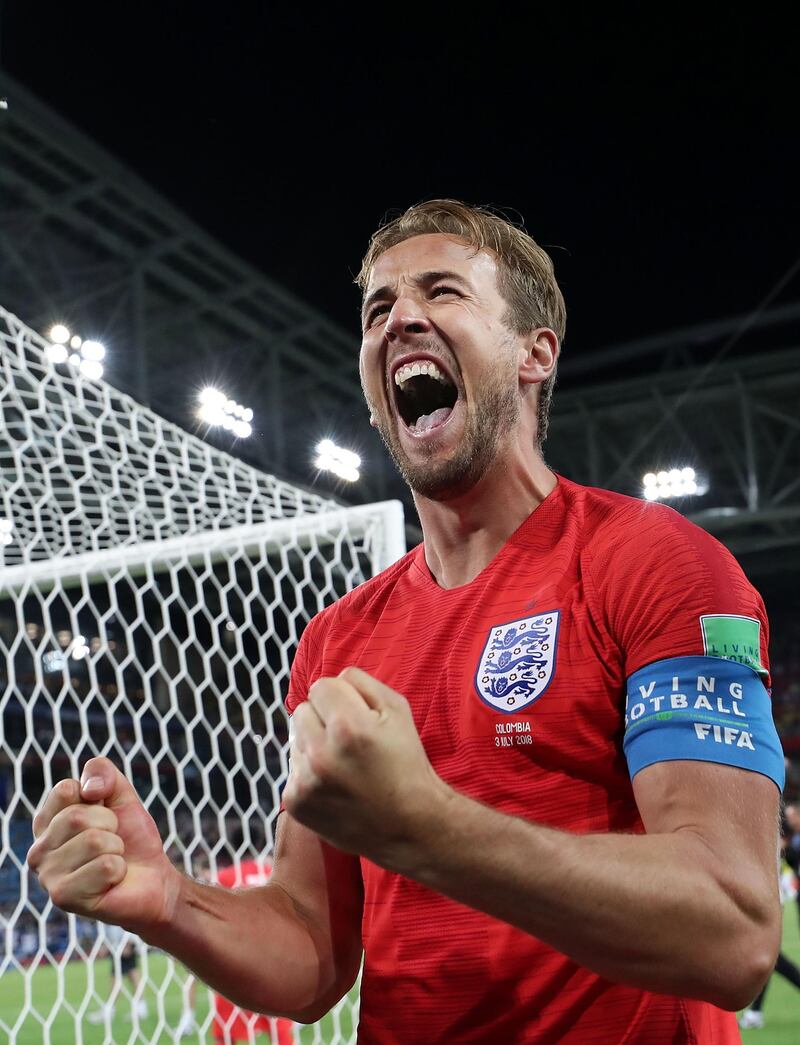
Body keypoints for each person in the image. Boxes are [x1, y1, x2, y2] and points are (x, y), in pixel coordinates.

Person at [27, 200, 785, 1043]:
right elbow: (313, 948)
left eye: (442, 292)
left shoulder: (653, 562)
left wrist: (430, 828)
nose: (402, 319)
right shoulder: (337, 641)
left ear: (535, 354)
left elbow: (734, 927)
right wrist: (171, 899)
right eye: (378, 309)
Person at [87, 922, 148, 1024]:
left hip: (124, 947)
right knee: (132, 976)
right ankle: (140, 1008)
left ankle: (110, 1011)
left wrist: (129, 944)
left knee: (119, 980)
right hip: (118, 948)